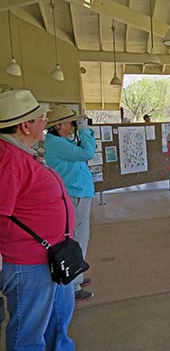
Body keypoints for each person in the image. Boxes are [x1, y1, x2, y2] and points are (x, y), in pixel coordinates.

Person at [0, 90, 75, 350]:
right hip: (29, 264)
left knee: (57, 320)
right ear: (25, 125)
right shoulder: (8, 158)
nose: (45, 122)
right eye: (41, 118)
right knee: (28, 334)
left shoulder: (20, 152)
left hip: (51, 256)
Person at [44, 105, 96, 301]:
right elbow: (87, 154)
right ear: (58, 126)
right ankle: (73, 284)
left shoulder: (60, 141)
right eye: (70, 122)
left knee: (81, 237)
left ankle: (77, 275)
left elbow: (87, 149)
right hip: (75, 194)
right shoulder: (56, 143)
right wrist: (83, 130)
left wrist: (84, 132)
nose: (73, 125)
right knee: (78, 239)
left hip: (78, 192)